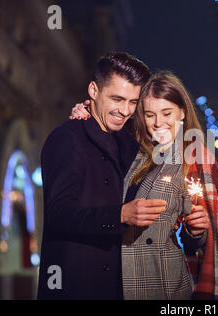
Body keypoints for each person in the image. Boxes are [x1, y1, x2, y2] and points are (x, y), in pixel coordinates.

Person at [71, 71, 218, 299]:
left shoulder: (193, 159)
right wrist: (87, 118)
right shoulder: (129, 150)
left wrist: (196, 231)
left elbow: (204, 240)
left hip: (161, 285)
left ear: (182, 111)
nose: (158, 123)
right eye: (149, 114)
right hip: (112, 279)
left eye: (166, 113)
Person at [37, 52, 169, 299]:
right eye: (117, 99)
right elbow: (57, 214)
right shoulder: (67, 139)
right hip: (75, 287)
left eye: (133, 102)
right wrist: (119, 214)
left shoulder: (129, 144)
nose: (125, 110)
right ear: (93, 90)